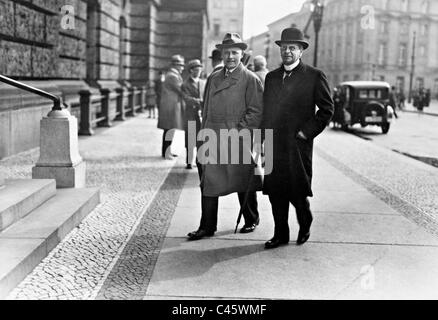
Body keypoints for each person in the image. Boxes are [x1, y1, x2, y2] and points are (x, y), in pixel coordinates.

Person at [261, 27, 334, 249]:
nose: (287, 52)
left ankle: (305, 221)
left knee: (296, 190)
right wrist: (261, 140)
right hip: (275, 143)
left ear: (301, 51)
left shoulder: (314, 76)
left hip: (297, 144)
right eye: (284, 48)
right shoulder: (272, 77)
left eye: (292, 48)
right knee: (275, 191)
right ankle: (280, 234)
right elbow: (266, 110)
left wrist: (306, 133)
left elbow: (327, 109)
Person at [187, 33, 264, 240]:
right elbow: (207, 108)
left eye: (234, 52)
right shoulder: (213, 77)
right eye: (227, 52)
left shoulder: (250, 79)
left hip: (237, 138)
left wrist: (240, 133)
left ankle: (251, 219)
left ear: (242, 54)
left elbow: (256, 111)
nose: (230, 56)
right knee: (209, 182)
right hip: (212, 137)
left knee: (242, 180)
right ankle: (207, 226)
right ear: (221, 54)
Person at [157, 55, 186, 159]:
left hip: (170, 105)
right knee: (169, 130)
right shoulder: (173, 76)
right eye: (181, 65)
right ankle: (166, 152)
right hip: (171, 106)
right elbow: (181, 90)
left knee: (169, 130)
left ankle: (167, 151)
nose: (182, 68)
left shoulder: (172, 75)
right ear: (176, 65)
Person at [181, 59, 206, 170]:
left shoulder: (203, 82)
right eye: (197, 69)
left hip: (200, 114)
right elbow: (186, 98)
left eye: (200, 69)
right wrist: (198, 101)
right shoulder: (185, 84)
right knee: (190, 139)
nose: (199, 71)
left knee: (200, 138)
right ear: (191, 71)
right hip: (190, 114)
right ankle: (189, 162)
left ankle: (198, 160)